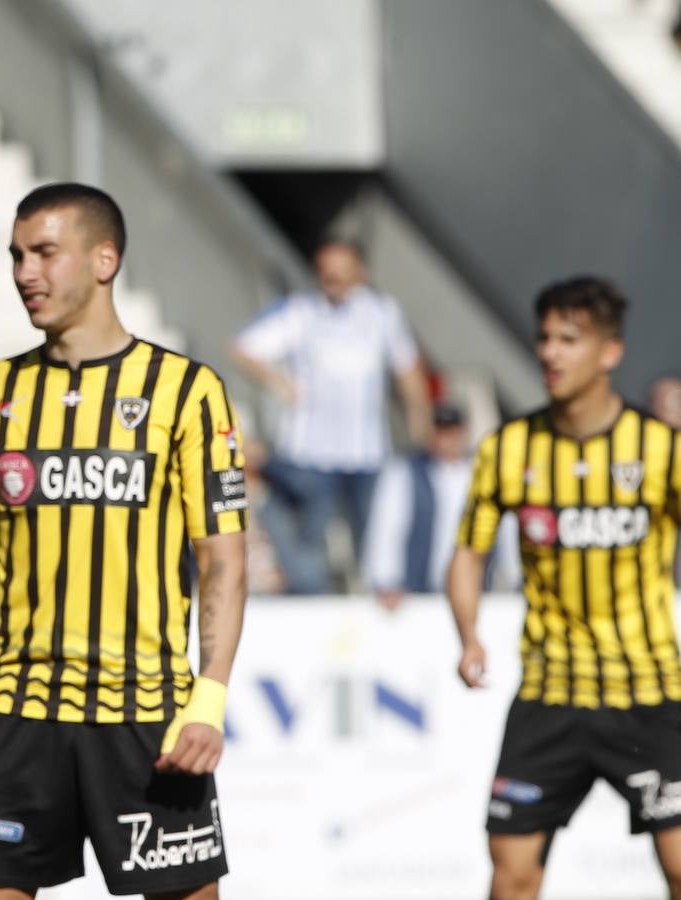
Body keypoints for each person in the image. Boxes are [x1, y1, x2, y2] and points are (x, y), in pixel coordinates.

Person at [0, 183, 249, 899]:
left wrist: (208, 697)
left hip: (143, 711)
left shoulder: (185, 390)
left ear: (104, 259)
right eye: (18, 255)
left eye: (45, 253)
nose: (26, 272)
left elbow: (222, 560)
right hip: (13, 711)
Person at [447, 277, 681, 900]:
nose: (550, 352)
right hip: (549, 696)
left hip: (650, 692)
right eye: (545, 337)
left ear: (609, 353)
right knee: (512, 876)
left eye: (569, 339)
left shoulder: (660, 449)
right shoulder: (509, 448)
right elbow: (467, 555)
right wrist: (468, 634)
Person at [231, 239, 431, 594]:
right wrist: (280, 382)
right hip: (311, 454)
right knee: (311, 548)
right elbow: (244, 347)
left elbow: (407, 369)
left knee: (373, 541)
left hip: (366, 451)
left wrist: (420, 421)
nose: (332, 276)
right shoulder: (301, 311)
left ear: (360, 271)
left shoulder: (383, 313)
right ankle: (314, 611)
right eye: (326, 268)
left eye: (341, 267)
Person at [363, 402, 518, 610]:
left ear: (464, 432)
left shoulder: (486, 476)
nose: (446, 439)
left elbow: (508, 532)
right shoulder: (405, 473)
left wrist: (518, 579)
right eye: (441, 431)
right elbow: (386, 528)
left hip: (475, 598)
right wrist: (386, 581)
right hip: (417, 599)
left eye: (452, 431)